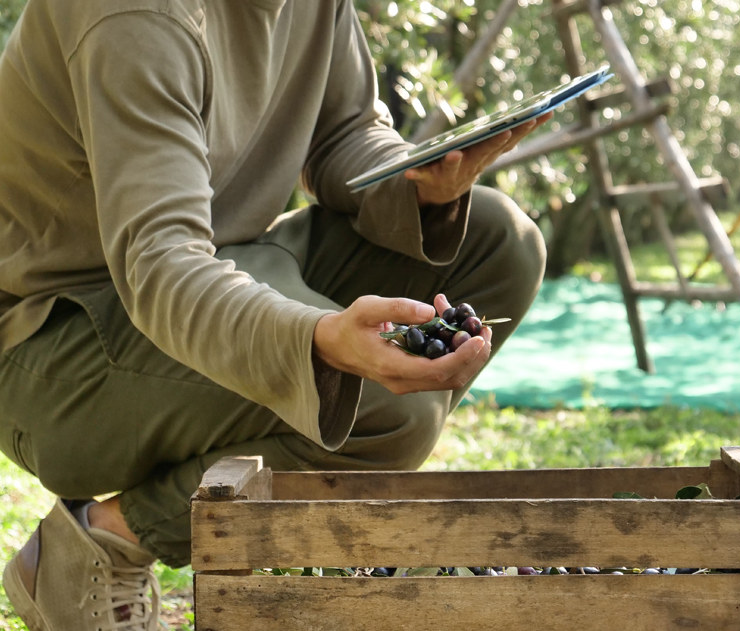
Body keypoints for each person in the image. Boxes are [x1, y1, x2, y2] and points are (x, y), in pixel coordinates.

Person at [0, 1, 549, 628]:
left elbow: (346, 134)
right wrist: (319, 342)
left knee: (497, 240)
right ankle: (108, 538)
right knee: (381, 408)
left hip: (227, 264)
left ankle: (230, 496)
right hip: (51, 347)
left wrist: (420, 187)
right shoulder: (133, 16)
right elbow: (162, 264)